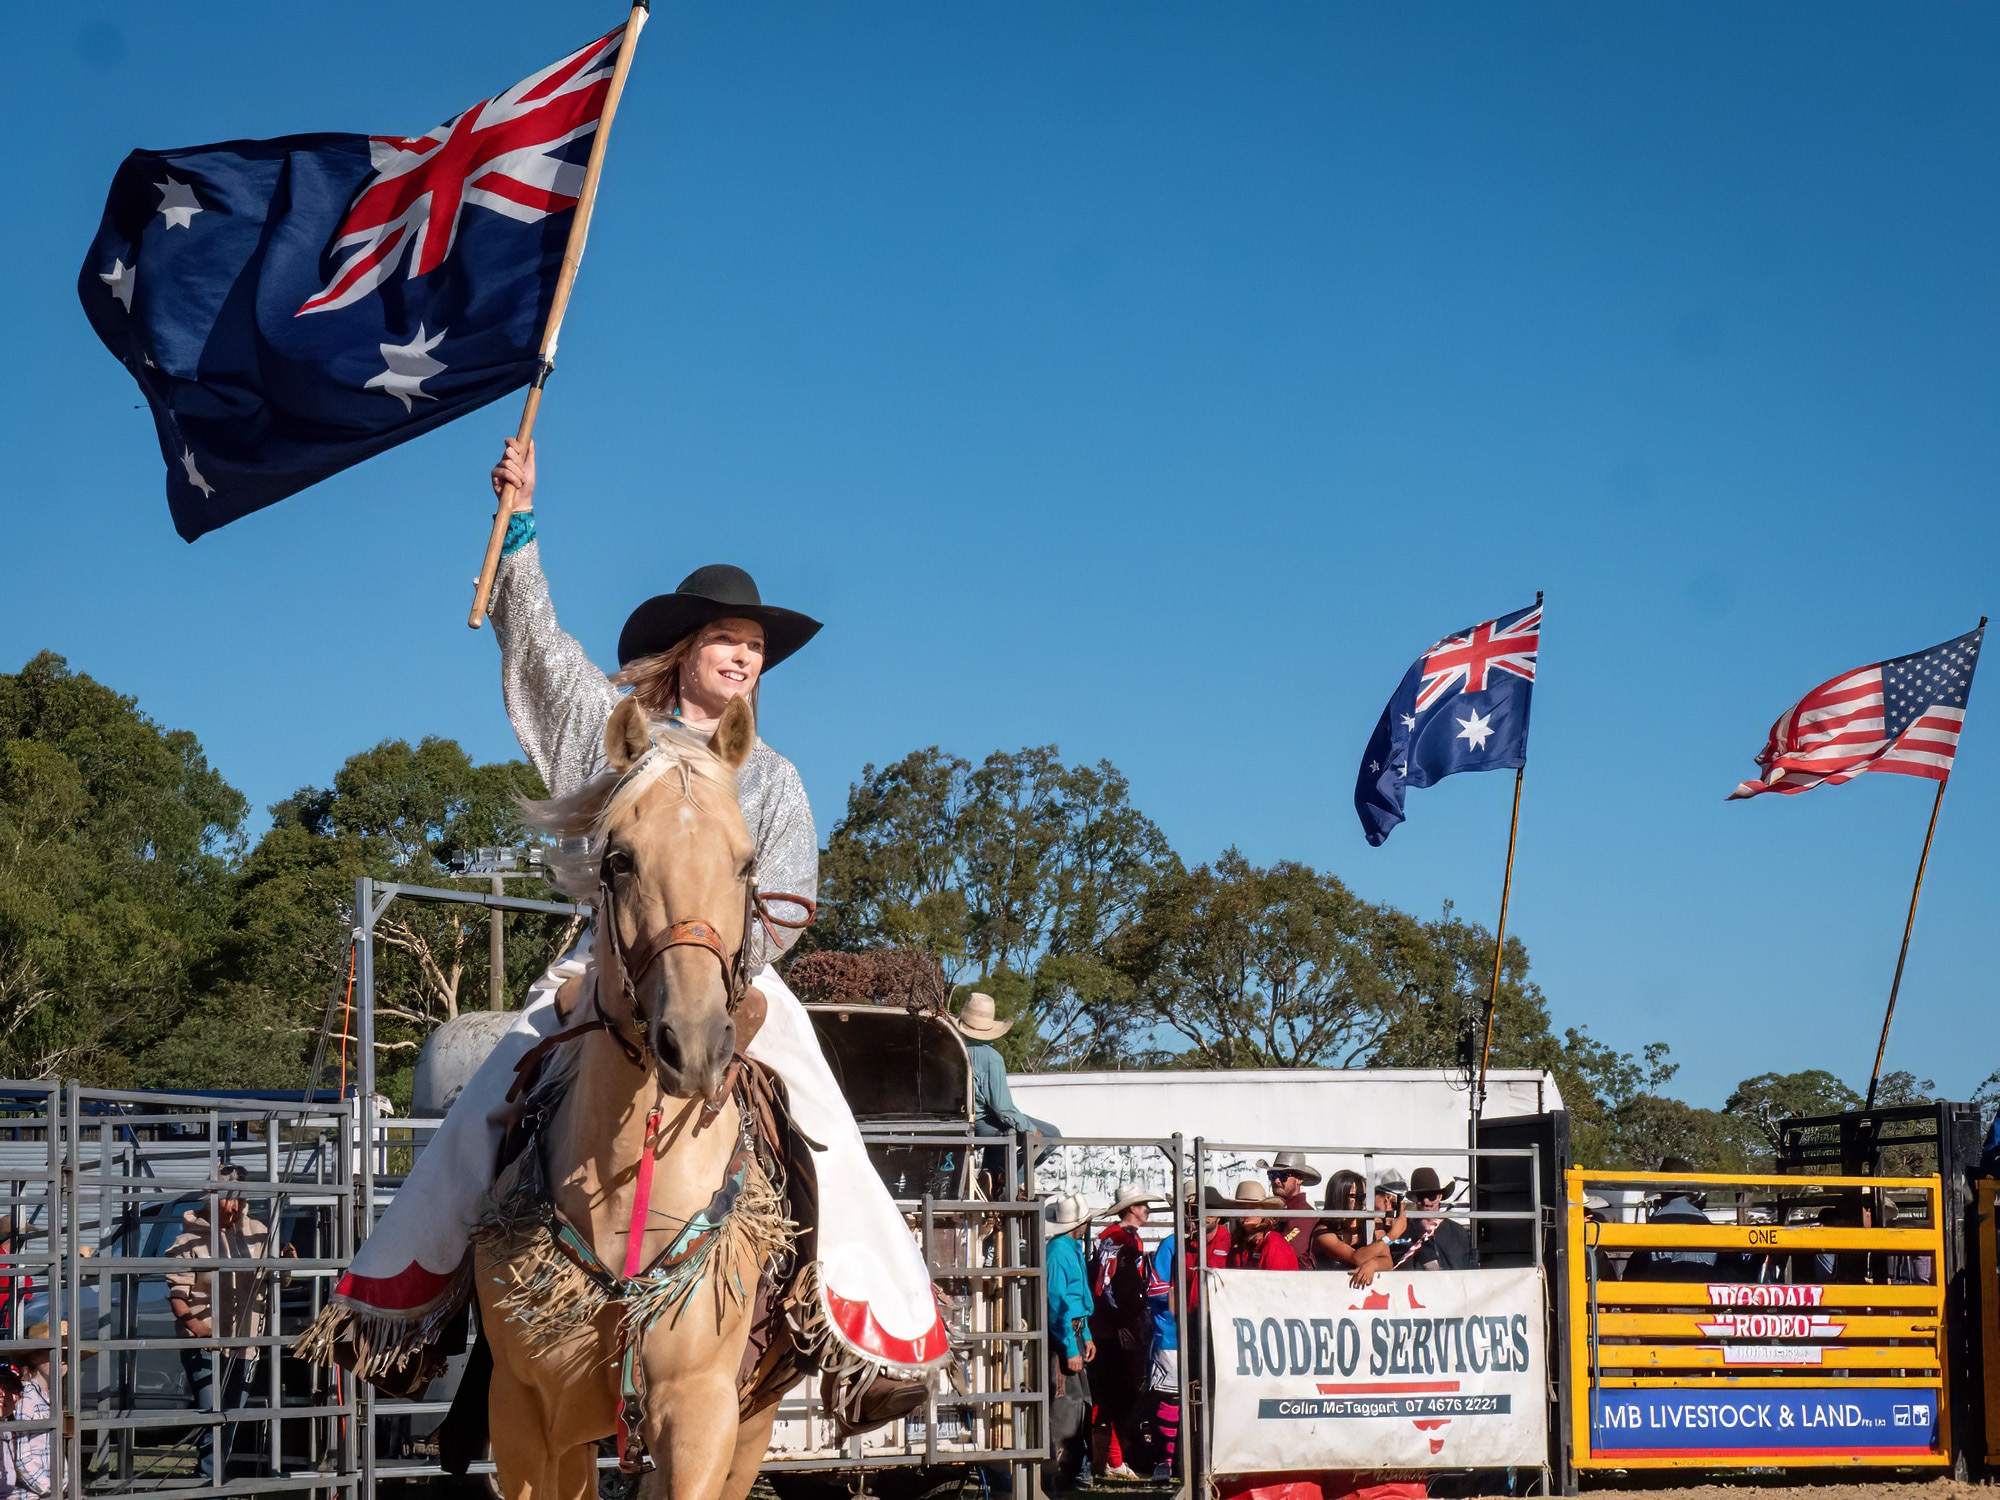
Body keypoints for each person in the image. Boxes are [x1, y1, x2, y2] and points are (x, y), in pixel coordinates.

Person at [303, 439, 951, 1396]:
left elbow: (791, 898)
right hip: (602, 964)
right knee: (489, 1091)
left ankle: (866, 1323)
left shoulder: (769, 776)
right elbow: (542, 651)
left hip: (736, 974)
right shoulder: (619, 737)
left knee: (824, 1115)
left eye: (756, 645)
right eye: (729, 638)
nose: (744, 656)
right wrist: (519, 523)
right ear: (688, 649)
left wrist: (723, 968)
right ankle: (399, 1306)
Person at [166, 1166, 295, 1481]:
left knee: (231, 1418)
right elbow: (177, 1294)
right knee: (214, 1415)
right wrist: (199, 1330)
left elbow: (274, 1279)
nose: (233, 1207)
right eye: (226, 1199)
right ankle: (207, 1480)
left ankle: (212, 1479)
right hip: (205, 1344)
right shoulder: (188, 1240)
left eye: (238, 1199)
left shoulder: (258, 1233)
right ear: (211, 1199)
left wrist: (287, 1264)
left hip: (245, 1342)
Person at [1088, 1185, 1158, 1482]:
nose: (1147, 1210)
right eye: (1143, 1205)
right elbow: (1107, 1286)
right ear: (1133, 1208)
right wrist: (1125, 1320)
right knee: (1115, 1394)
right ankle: (1110, 1460)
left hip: (1115, 1325)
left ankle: (1109, 1459)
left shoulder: (1124, 1238)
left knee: (1117, 1394)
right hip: (1115, 1328)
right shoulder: (1118, 1239)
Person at [952, 993, 1061, 1182]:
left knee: (1003, 1125)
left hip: (956, 1118)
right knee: (1051, 1137)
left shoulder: (950, 1048)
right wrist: (1029, 1130)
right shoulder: (990, 1057)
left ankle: (992, 1174)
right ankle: (1006, 1182)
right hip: (978, 1121)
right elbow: (1003, 1108)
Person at [1044, 1196, 1097, 1491]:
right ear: (1080, 1223)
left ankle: (1068, 1470)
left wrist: (1085, 1334)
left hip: (1074, 1331)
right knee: (1066, 1406)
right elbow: (1057, 1304)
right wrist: (1071, 1345)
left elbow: (1071, 1300)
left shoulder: (1067, 1249)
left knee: (1077, 1405)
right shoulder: (1058, 1253)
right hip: (1065, 1335)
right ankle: (1059, 1472)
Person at [1143, 1211, 1182, 1484]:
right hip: (1171, 1334)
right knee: (1171, 1397)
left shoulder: (1228, 1240)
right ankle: (1165, 1460)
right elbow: (1155, 1288)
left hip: (1208, 1331)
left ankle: (1185, 1456)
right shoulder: (1171, 1244)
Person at [1312, 1170, 1393, 1287]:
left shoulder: (1370, 1224)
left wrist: (1373, 1264)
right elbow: (1357, 1258)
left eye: (1363, 1196)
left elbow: (1388, 1261)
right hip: (1329, 1291)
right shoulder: (1322, 1231)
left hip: (1361, 1295)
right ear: (1339, 1196)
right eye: (1355, 1196)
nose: (1361, 1201)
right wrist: (1392, 1235)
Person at [1395, 1167, 1478, 1272]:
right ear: (1415, 1199)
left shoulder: (1458, 1233)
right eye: (1421, 1197)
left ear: (1439, 1196)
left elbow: (1469, 1272)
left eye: (1431, 1196)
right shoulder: (1403, 1232)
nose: (1426, 1202)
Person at [1224, 1181, 1300, 1270]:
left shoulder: (1275, 1246)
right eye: (1242, 1208)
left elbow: (1277, 1282)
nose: (1247, 1212)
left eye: (1253, 1208)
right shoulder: (1240, 1243)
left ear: (1264, 1213)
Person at [1266, 1152, 1322, 1270]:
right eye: (1272, 1175)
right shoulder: (1269, 1211)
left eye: (1283, 1176)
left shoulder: (1307, 1217)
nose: (1276, 1180)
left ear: (1299, 1179)